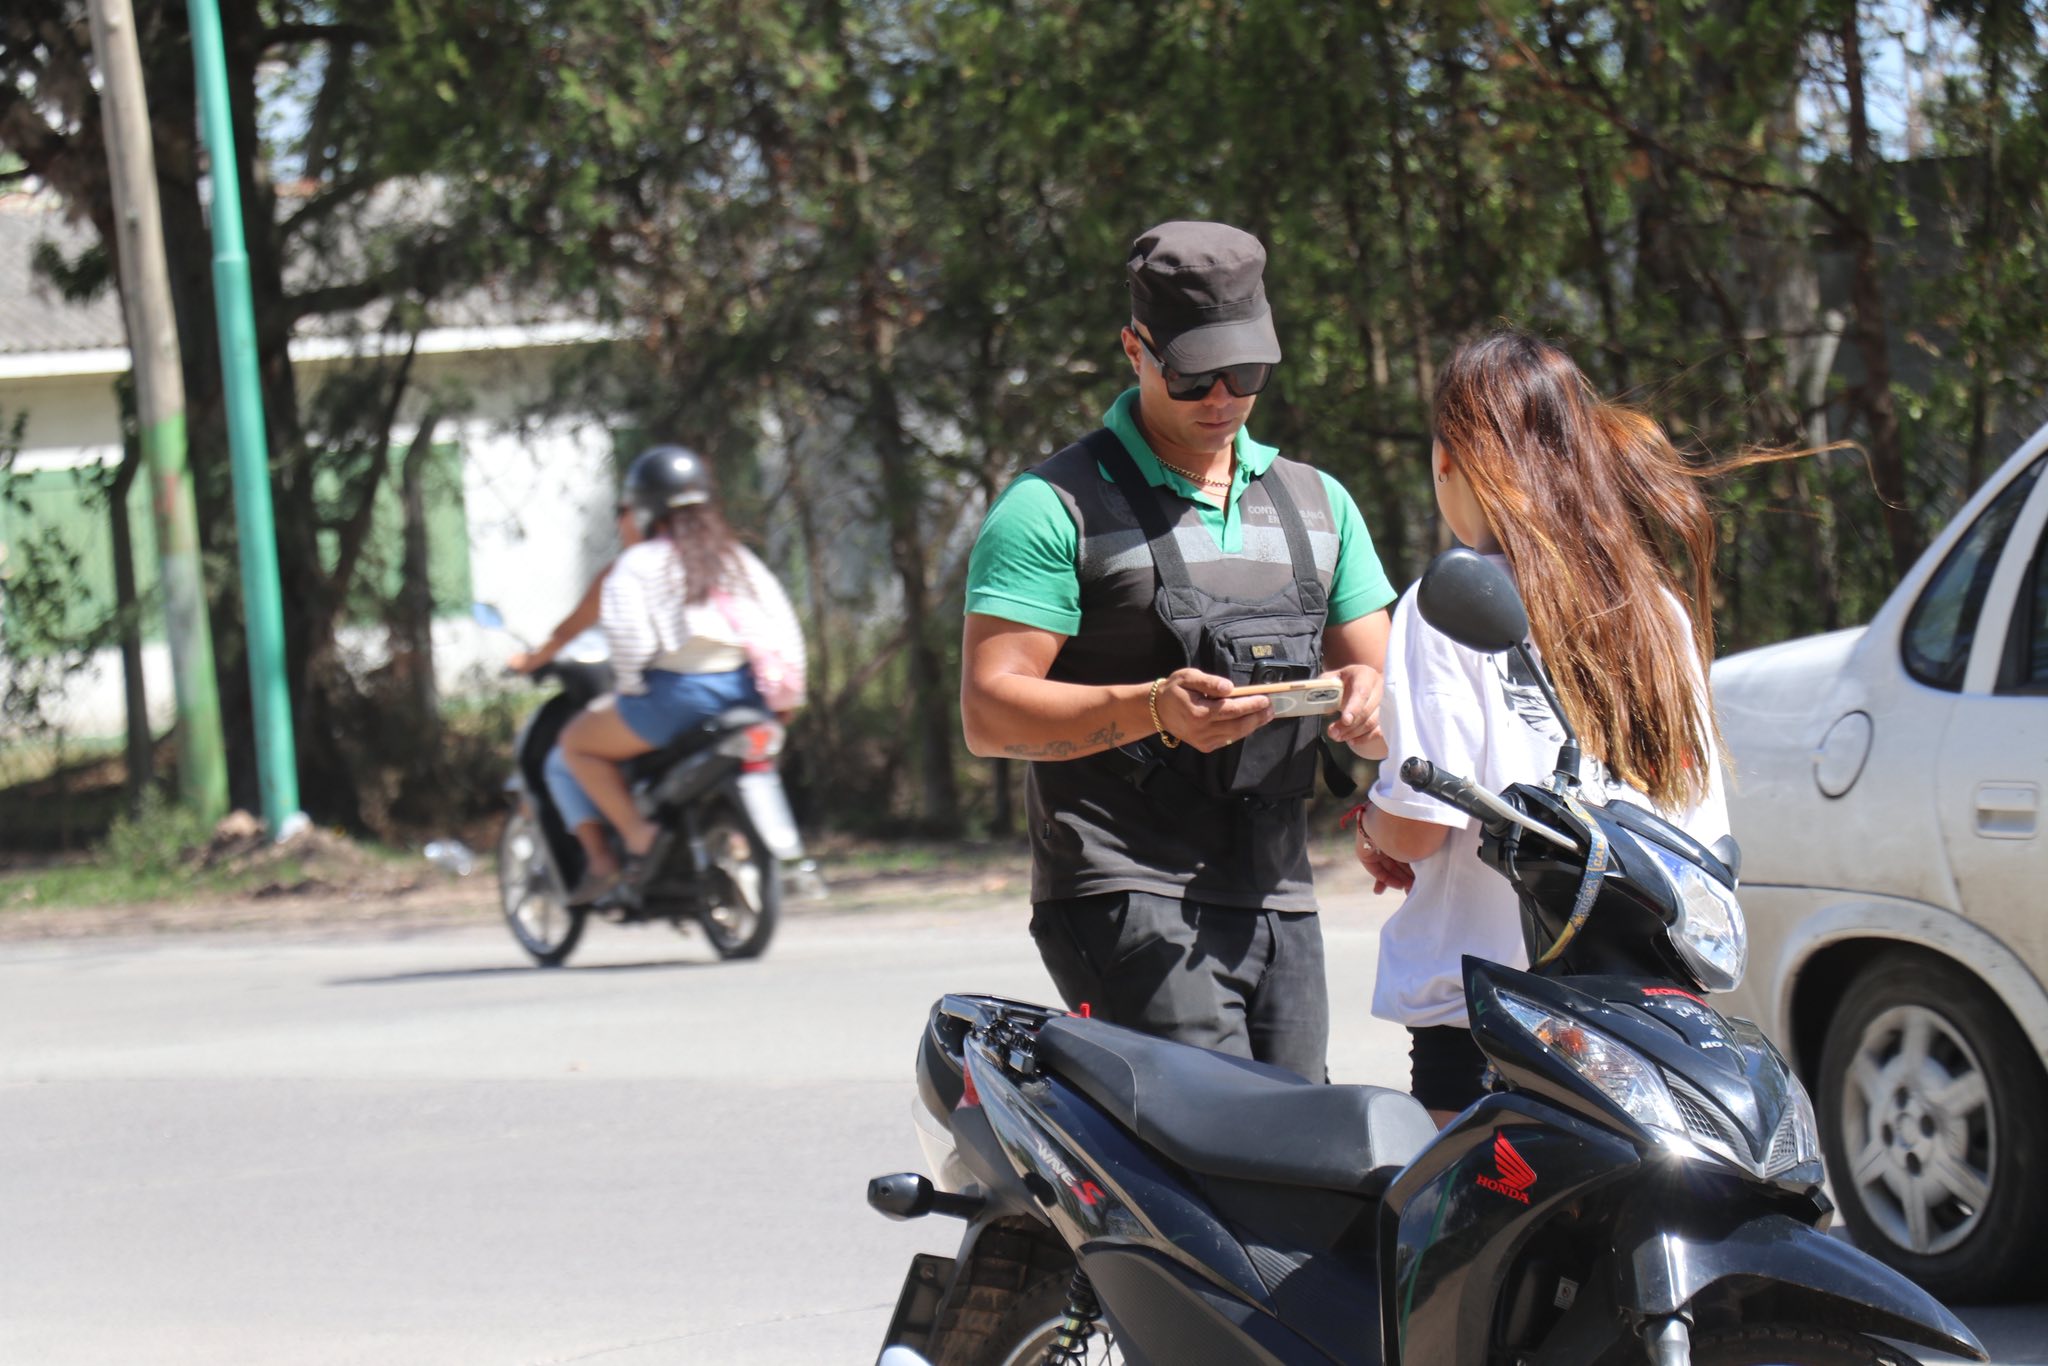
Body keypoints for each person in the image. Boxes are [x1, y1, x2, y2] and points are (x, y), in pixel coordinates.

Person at [960, 220, 1398, 1084]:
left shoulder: (1320, 505)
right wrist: (1153, 708)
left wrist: (1364, 699)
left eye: (1248, 373)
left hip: (1279, 893)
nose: (1222, 397)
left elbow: (1386, 707)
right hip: (1124, 889)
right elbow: (989, 713)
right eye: (1195, 373)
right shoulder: (1052, 506)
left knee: (1300, 1144)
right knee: (1214, 1141)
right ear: (1136, 348)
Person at [1351, 329, 1733, 1124]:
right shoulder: (1656, 609)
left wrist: (1373, 826)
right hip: (1645, 1016)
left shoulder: (1443, 601)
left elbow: (1419, 827)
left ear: (1449, 460)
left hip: (1493, 1019)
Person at [551, 445, 807, 904]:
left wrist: (631, 689)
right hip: (748, 694)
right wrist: (787, 699)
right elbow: (784, 627)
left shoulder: (638, 562)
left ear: (644, 508)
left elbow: (628, 639)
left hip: (674, 698)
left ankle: (637, 836)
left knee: (575, 744)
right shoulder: (737, 558)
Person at [508, 500, 646, 675]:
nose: (620, 522)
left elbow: (570, 630)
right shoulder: (675, 561)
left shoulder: (624, 572)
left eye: (623, 513)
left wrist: (532, 660)